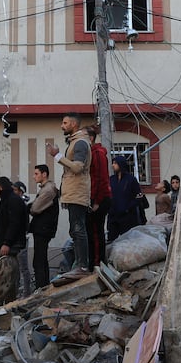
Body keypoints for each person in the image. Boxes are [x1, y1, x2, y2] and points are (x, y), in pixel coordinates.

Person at [48, 113, 91, 280]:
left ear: (74, 124)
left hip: (77, 193)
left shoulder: (80, 142)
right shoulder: (76, 141)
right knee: (75, 229)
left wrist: (57, 156)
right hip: (73, 193)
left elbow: (78, 167)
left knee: (78, 230)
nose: (62, 125)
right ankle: (79, 265)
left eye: (65, 123)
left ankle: (82, 266)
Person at [0, 176, 28, 301]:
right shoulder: (6, 200)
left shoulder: (13, 200)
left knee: (6, 278)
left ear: (0, 187)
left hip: (6, 247)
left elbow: (15, 223)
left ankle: (7, 306)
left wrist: (7, 243)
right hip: (0, 246)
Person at [29, 164, 59, 288]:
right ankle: (44, 287)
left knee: (39, 262)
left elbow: (35, 209)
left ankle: (41, 289)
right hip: (42, 229)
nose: (33, 176)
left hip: (43, 229)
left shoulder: (48, 189)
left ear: (44, 174)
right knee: (41, 260)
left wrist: (29, 207)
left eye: (36, 174)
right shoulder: (46, 188)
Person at [85, 125, 111, 268]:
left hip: (99, 200)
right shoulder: (90, 154)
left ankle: (97, 264)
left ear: (90, 138)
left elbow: (100, 179)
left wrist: (96, 201)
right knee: (91, 233)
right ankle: (94, 264)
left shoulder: (98, 153)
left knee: (95, 233)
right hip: (93, 198)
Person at [107, 155, 142, 242]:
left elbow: (139, 197)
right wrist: (109, 209)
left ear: (121, 164)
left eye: (115, 163)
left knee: (128, 242)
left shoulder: (131, 180)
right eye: (113, 163)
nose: (113, 165)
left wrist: (127, 208)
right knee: (112, 241)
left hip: (127, 218)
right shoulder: (111, 180)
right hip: (113, 217)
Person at [12, 181, 34, 296]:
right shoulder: (16, 204)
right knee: (15, 268)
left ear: (20, 192)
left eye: (14, 190)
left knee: (23, 268)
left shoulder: (22, 205)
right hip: (15, 240)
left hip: (21, 240)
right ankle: (16, 293)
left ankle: (26, 293)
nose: (12, 192)